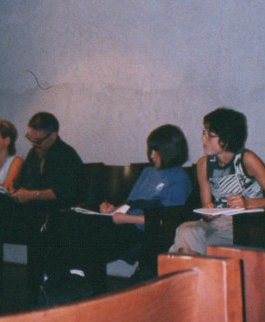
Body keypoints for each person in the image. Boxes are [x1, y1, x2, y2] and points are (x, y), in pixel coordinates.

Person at [53, 123, 192, 294]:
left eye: (155, 151)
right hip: (124, 221)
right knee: (74, 222)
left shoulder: (180, 178)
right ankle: (70, 279)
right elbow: (131, 203)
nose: (151, 155)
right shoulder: (148, 172)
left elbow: (167, 220)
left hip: (144, 230)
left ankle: (95, 291)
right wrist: (113, 208)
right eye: (151, 150)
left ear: (169, 151)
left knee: (92, 238)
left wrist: (126, 219)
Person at [0, 111, 84, 287]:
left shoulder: (66, 155)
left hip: (54, 213)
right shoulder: (34, 154)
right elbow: (24, 183)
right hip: (31, 209)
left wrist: (31, 194)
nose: (34, 144)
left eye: (38, 140)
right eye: (30, 138)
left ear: (53, 135)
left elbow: (64, 192)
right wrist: (15, 189)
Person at [170, 108, 265, 255]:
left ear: (227, 138)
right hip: (216, 224)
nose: (203, 139)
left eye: (210, 135)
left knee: (193, 246)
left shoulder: (247, 159)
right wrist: (208, 211)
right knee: (186, 230)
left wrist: (247, 204)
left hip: (245, 225)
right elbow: (206, 210)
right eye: (203, 133)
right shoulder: (203, 164)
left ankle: (191, 263)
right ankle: (192, 264)